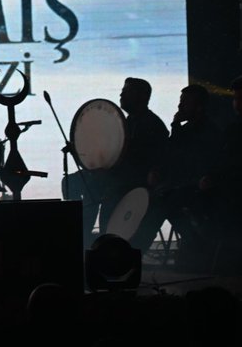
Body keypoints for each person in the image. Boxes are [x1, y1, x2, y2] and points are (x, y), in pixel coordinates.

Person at [63, 77, 169, 248]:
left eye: (127, 92)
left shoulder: (153, 126)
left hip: (132, 181)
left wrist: (108, 171)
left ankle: (96, 238)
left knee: (95, 188)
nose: (121, 95)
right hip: (114, 175)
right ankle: (83, 233)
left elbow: (148, 162)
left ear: (142, 96)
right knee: (73, 182)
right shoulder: (127, 123)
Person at [138, 83, 224, 267]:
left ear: (199, 107)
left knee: (163, 203)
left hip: (198, 187)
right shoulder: (184, 130)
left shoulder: (210, 133)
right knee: (156, 200)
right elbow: (169, 154)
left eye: (185, 102)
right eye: (180, 101)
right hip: (181, 185)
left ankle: (195, 245)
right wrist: (157, 171)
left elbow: (204, 163)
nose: (179, 106)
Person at [200, 73, 242, 273]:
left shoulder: (238, 129)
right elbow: (223, 159)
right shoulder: (234, 129)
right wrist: (212, 176)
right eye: (236, 99)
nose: (237, 104)